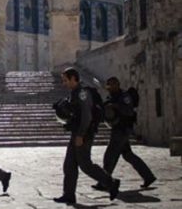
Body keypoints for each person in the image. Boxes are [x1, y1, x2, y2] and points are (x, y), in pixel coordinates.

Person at [53, 68, 119, 204]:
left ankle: (111, 183)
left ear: (73, 78)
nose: (64, 83)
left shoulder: (83, 92)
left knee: (85, 165)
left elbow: (87, 115)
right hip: (76, 132)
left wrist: (81, 134)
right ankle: (69, 195)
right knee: (69, 165)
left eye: (66, 80)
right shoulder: (75, 92)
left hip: (83, 134)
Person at [93, 77, 155, 191]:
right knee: (128, 155)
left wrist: (116, 106)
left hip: (123, 129)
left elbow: (129, 111)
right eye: (108, 85)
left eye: (111, 85)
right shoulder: (111, 97)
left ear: (117, 84)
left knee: (110, 155)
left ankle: (104, 182)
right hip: (117, 128)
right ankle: (148, 176)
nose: (109, 88)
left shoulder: (124, 96)